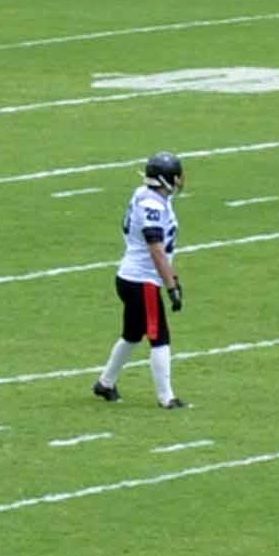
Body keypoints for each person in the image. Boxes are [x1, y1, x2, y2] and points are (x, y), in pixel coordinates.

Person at [92, 151, 187, 410]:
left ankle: (105, 383)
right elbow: (156, 249)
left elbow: (163, 249)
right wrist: (170, 286)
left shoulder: (147, 196)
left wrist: (172, 274)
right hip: (142, 280)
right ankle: (166, 397)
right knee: (160, 338)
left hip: (132, 276)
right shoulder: (152, 205)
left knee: (132, 334)